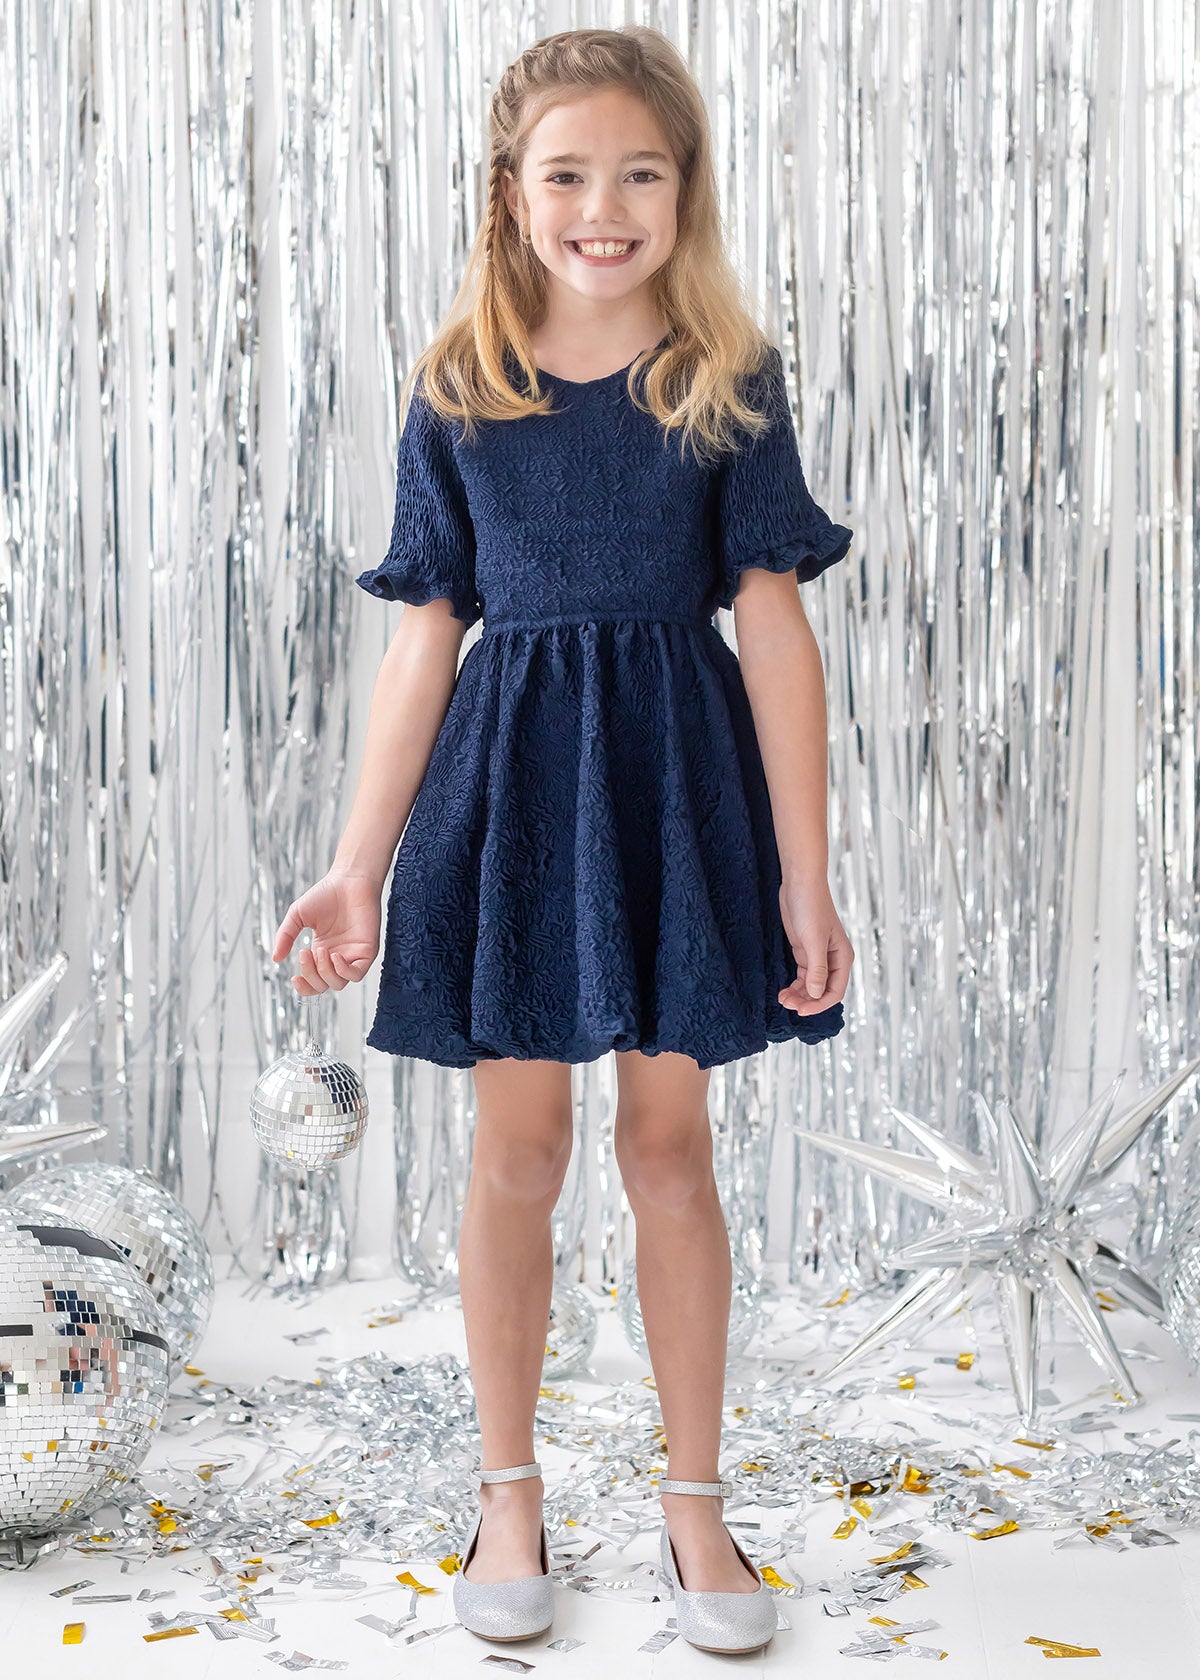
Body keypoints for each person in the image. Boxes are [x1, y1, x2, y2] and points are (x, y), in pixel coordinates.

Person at [272, 24, 854, 1657]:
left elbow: (778, 631)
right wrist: (356, 864)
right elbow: (422, 640)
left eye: (641, 175)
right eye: (569, 175)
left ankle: (692, 1510)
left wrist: (808, 874)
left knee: (670, 1153)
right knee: (514, 1155)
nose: (605, 208)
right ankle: (507, 1493)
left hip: (675, 792)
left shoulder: (724, 374)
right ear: (510, 194)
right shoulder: (463, 381)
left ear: (687, 190)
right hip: (514, 793)